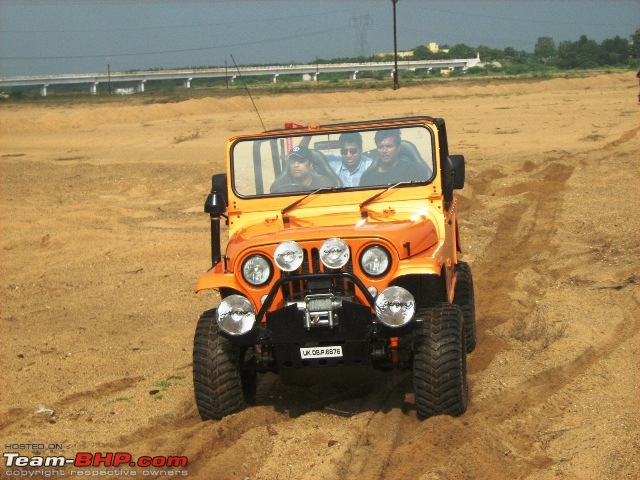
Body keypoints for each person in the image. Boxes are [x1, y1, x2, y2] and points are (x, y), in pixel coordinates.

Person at [270, 145, 335, 193]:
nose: (295, 165)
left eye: (300, 161)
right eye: (292, 161)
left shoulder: (325, 185)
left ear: (310, 165)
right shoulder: (280, 187)